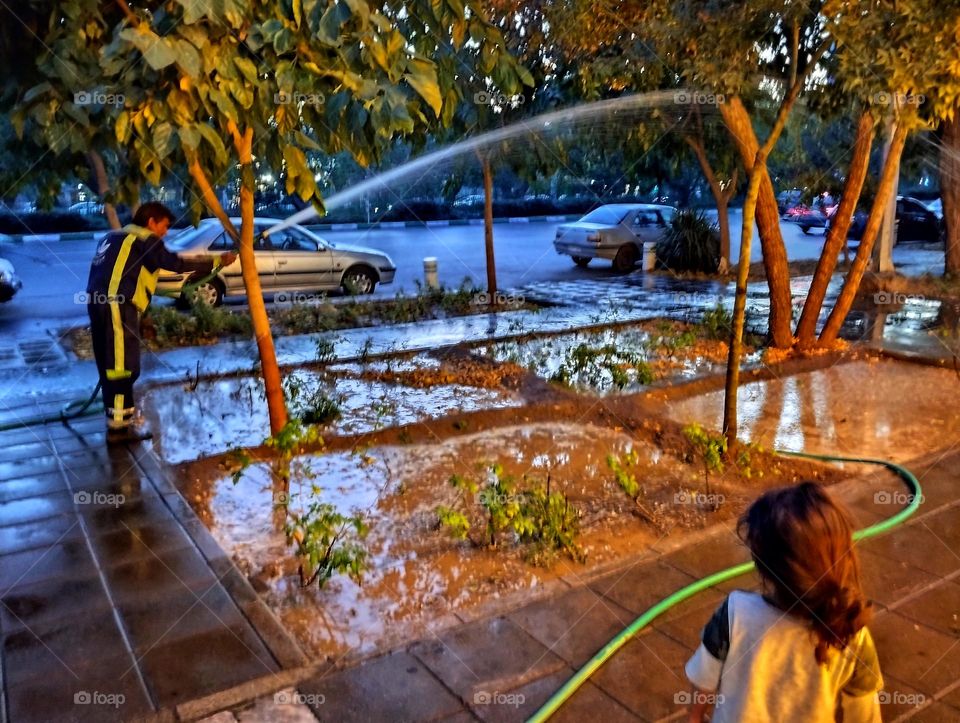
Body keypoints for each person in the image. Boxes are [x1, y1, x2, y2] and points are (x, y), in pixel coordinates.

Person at [683, 482, 882, 722]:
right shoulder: (851, 630)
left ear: (765, 567)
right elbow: (865, 716)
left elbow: (704, 679)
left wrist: (694, 718)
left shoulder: (735, 613)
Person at [85, 202, 237, 445]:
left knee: (110, 363)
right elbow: (174, 264)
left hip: (98, 303)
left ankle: (117, 420)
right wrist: (216, 261)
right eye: (164, 226)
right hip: (118, 304)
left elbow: (132, 272)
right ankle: (119, 430)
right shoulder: (146, 239)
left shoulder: (114, 236)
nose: (165, 233)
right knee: (123, 367)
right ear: (152, 222)